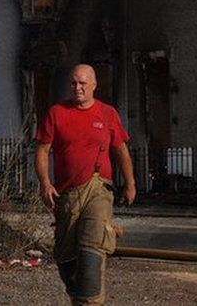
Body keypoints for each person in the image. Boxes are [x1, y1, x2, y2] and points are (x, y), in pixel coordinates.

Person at [35, 64, 136, 306]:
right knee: (66, 257)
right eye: (73, 83)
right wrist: (45, 183)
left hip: (98, 188)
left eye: (82, 83)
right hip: (68, 195)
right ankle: (78, 295)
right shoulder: (57, 113)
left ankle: (90, 303)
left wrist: (130, 183)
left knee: (92, 245)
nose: (77, 88)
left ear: (93, 85)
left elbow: (121, 149)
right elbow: (42, 150)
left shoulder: (107, 113)